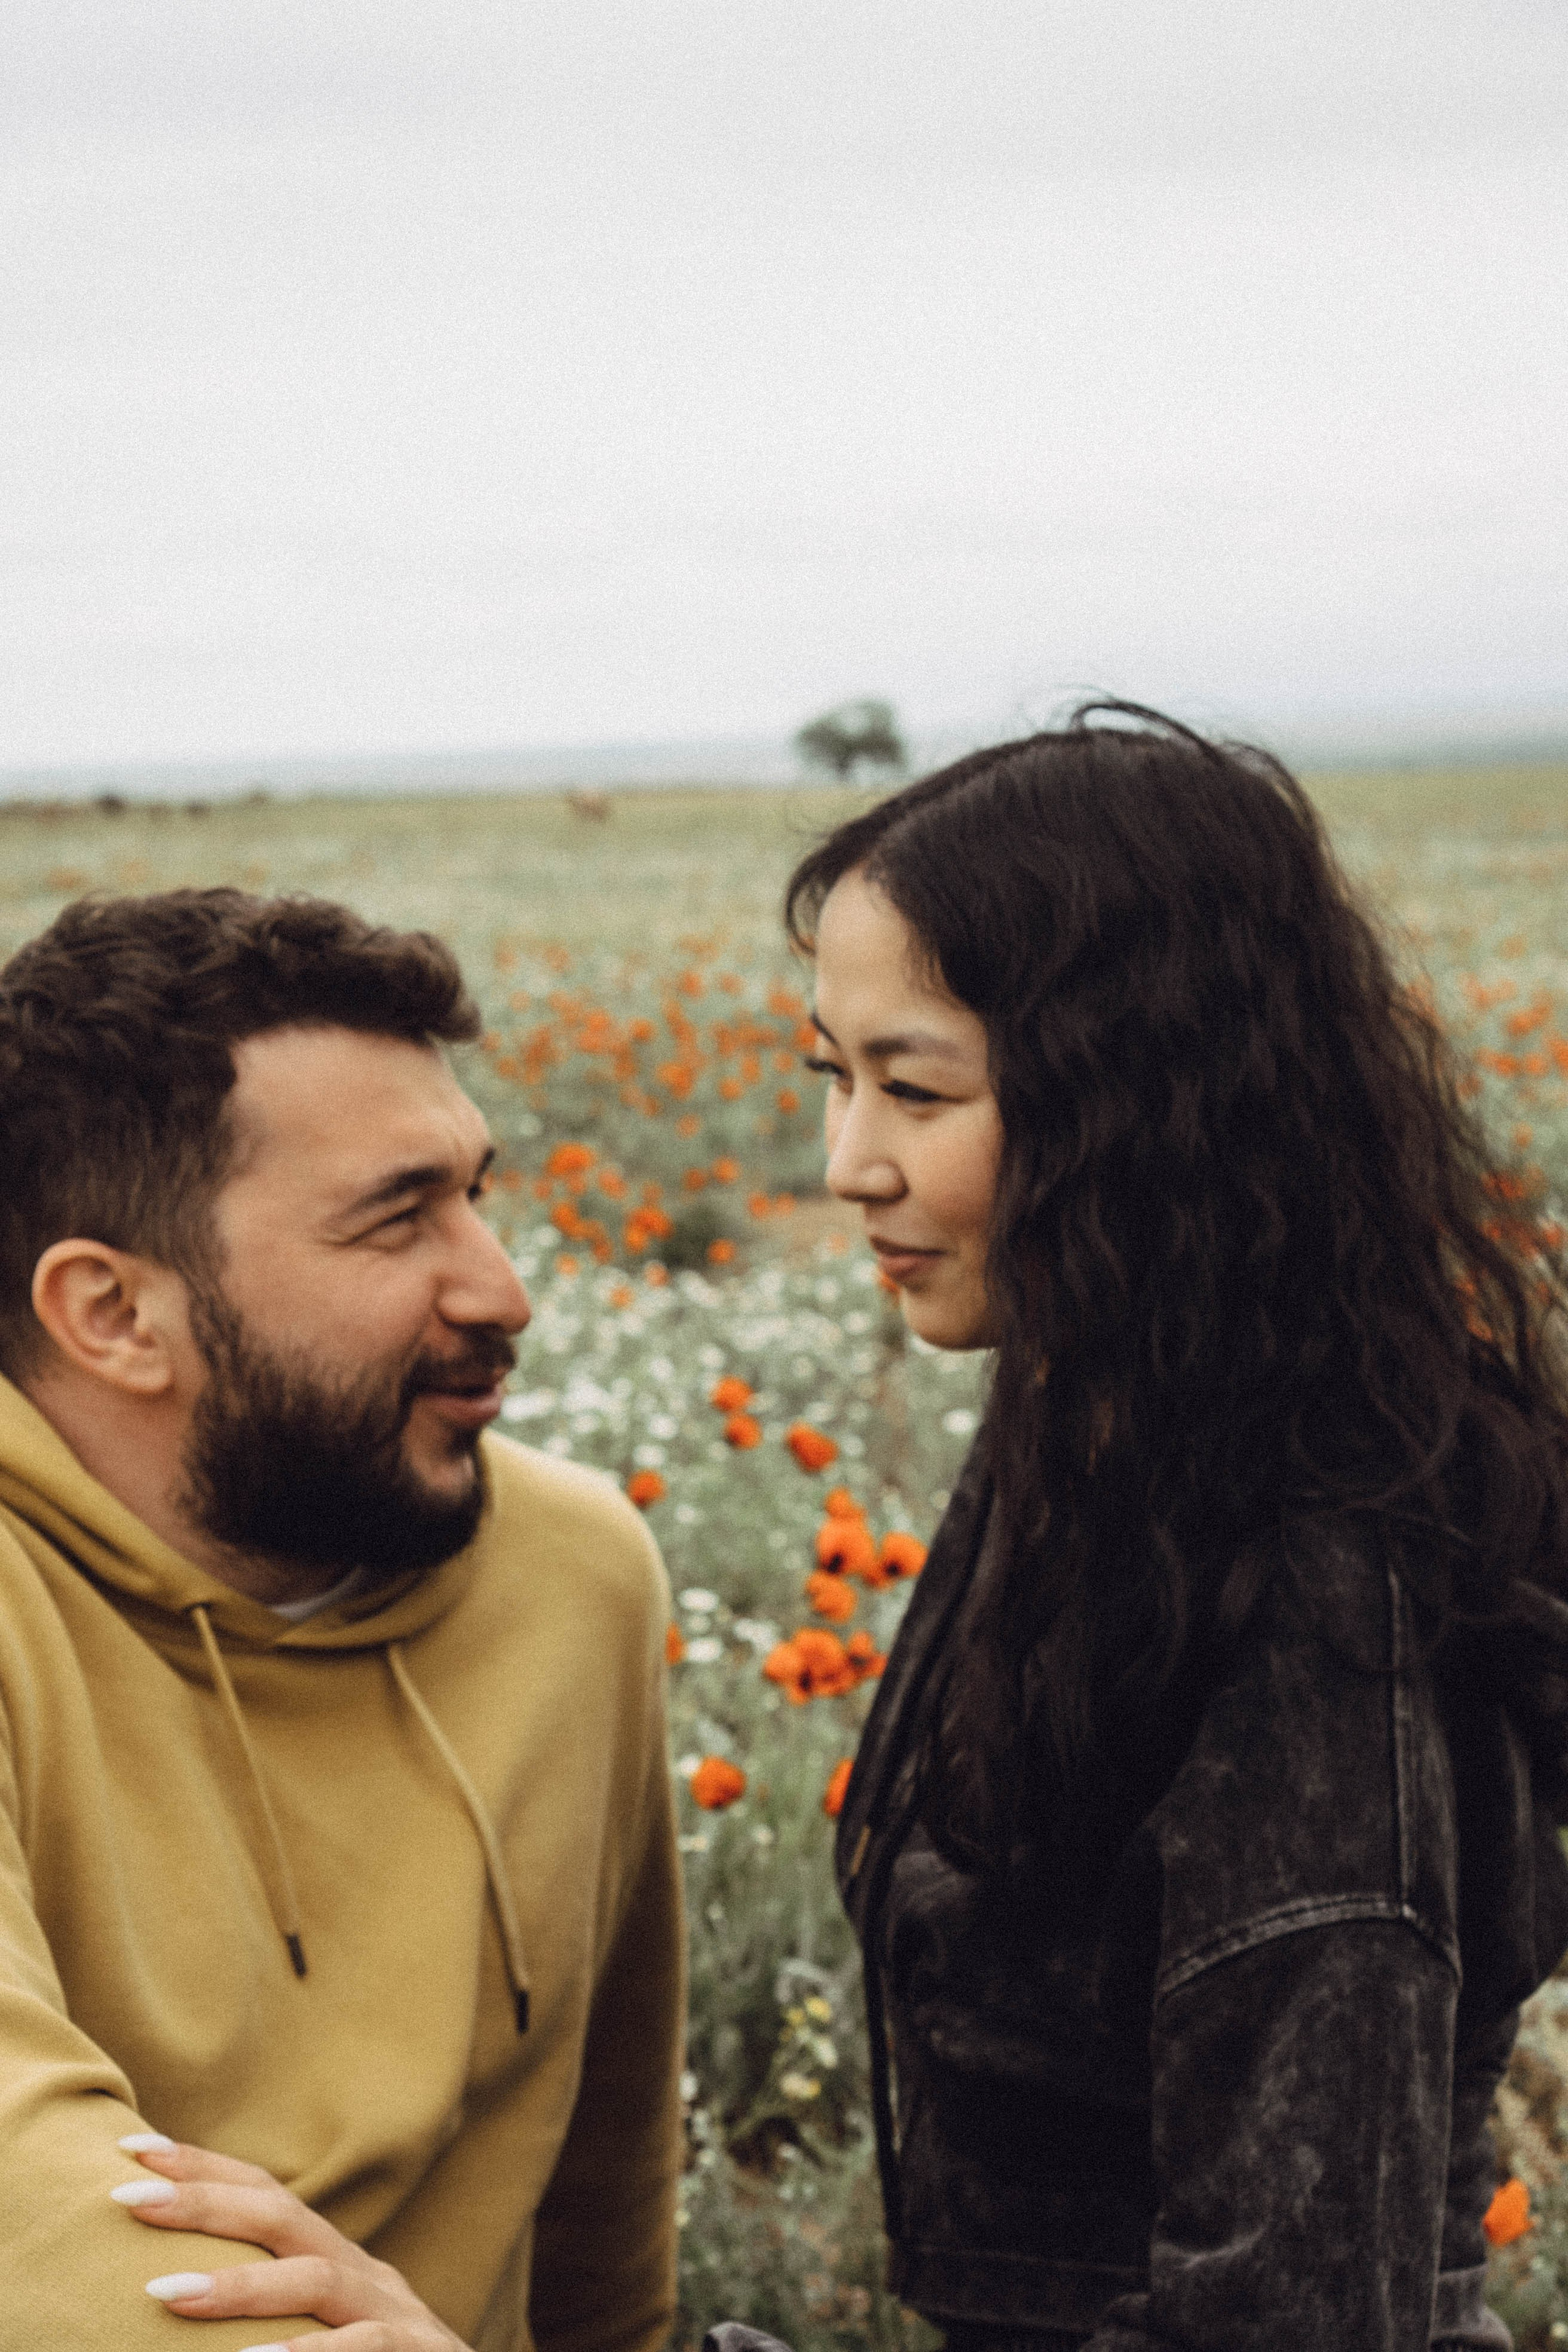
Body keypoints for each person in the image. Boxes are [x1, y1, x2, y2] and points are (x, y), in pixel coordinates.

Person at [782, 707, 1568, 2351]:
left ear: (1128, 1103)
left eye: (912, 1090)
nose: (845, 1163)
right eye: (830, 1079)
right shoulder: (1109, 1431)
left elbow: (1290, 2319)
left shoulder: (1319, 1608)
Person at [0, 888, 684, 2352]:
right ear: (113, 1315)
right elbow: (18, 2198)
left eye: (473, 1193)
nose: (500, 1289)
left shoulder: (575, 1575)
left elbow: (605, 2205)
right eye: (395, 1222)